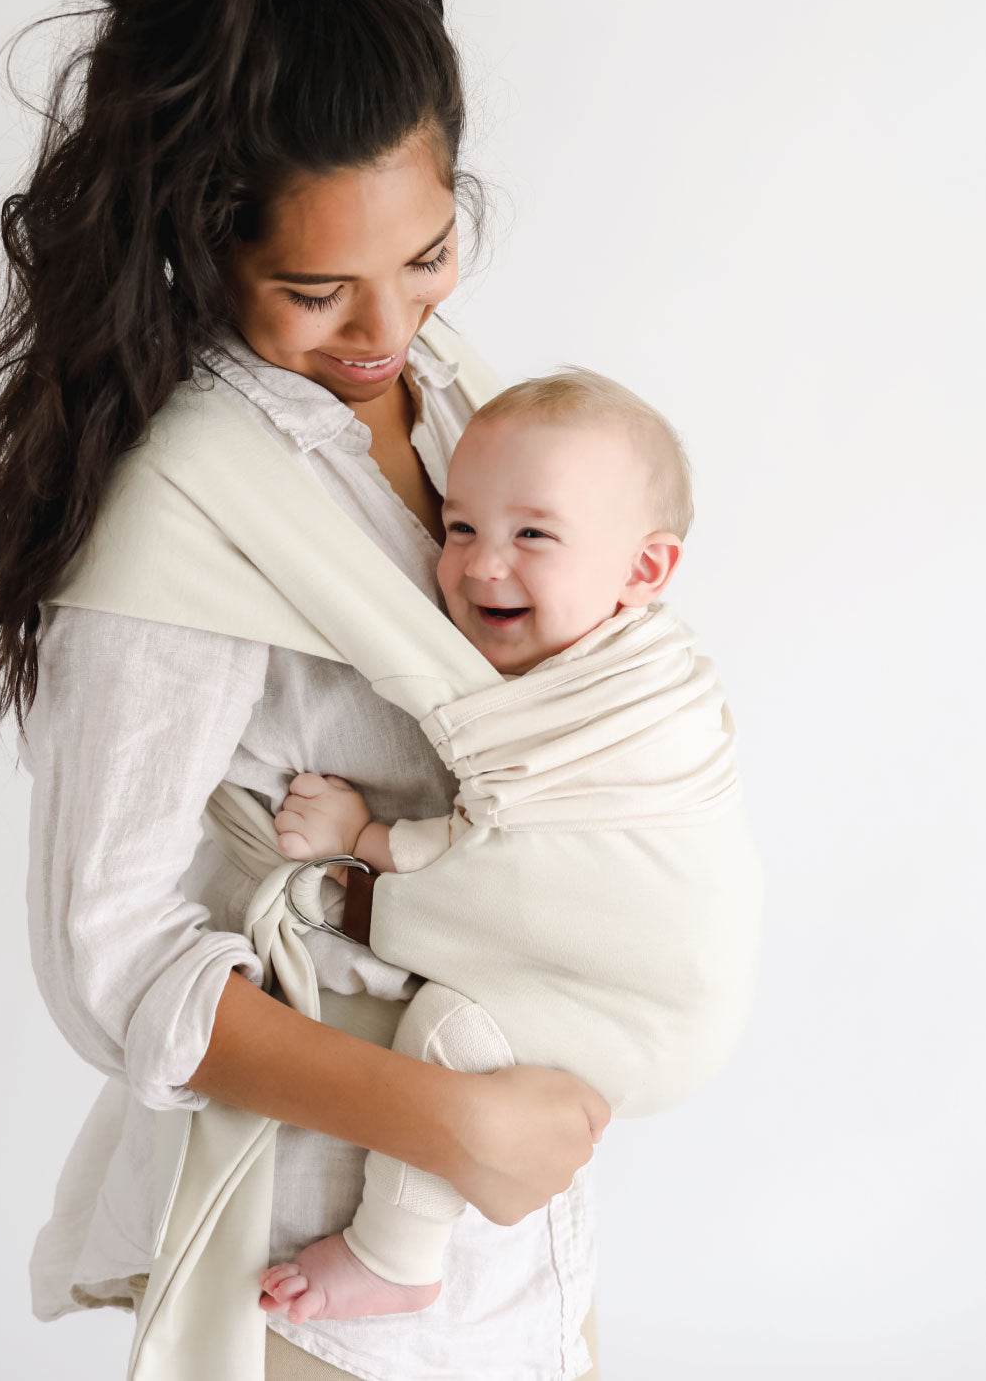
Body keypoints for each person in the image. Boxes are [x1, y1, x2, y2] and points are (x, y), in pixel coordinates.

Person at [0, 0, 611, 1378]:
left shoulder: (451, 395)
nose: (385, 330)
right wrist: (446, 1125)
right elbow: (105, 955)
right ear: (197, 243)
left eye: (424, 255)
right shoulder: (184, 515)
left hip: (520, 1236)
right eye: (316, 289)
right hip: (317, 1251)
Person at [261, 371, 761, 1322]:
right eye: (457, 528)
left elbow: (512, 853)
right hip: (647, 975)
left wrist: (364, 842)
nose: (481, 565)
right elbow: (523, 827)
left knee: (449, 1032)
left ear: (643, 574)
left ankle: (394, 1256)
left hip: (655, 1000)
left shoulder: (634, 701)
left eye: (532, 535)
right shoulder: (597, 670)